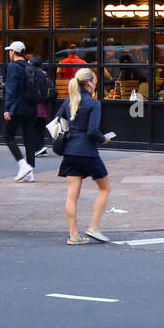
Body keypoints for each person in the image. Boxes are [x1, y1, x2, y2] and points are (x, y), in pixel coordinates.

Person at [57, 67, 113, 244]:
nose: (96, 83)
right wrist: (103, 139)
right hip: (88, 153)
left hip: (70, 152)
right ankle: (94, 227)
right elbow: (93, 131)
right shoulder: (94, 103)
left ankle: (73, 235)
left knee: (72, 195)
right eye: (95, 80)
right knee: (105, 188)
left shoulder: (68, 101)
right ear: (89, 83)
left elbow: (58, 122)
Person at [2, 40, 40, 182]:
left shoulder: (13, 66)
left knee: (8, 136)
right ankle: (30, 172)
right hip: (31, 108)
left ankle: (23, 165)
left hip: (17, 108)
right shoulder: (29, 66)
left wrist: (7, 108)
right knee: (29, 139)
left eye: (9, 51)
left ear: (13, 52)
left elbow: (11, 89)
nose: (9, 54)